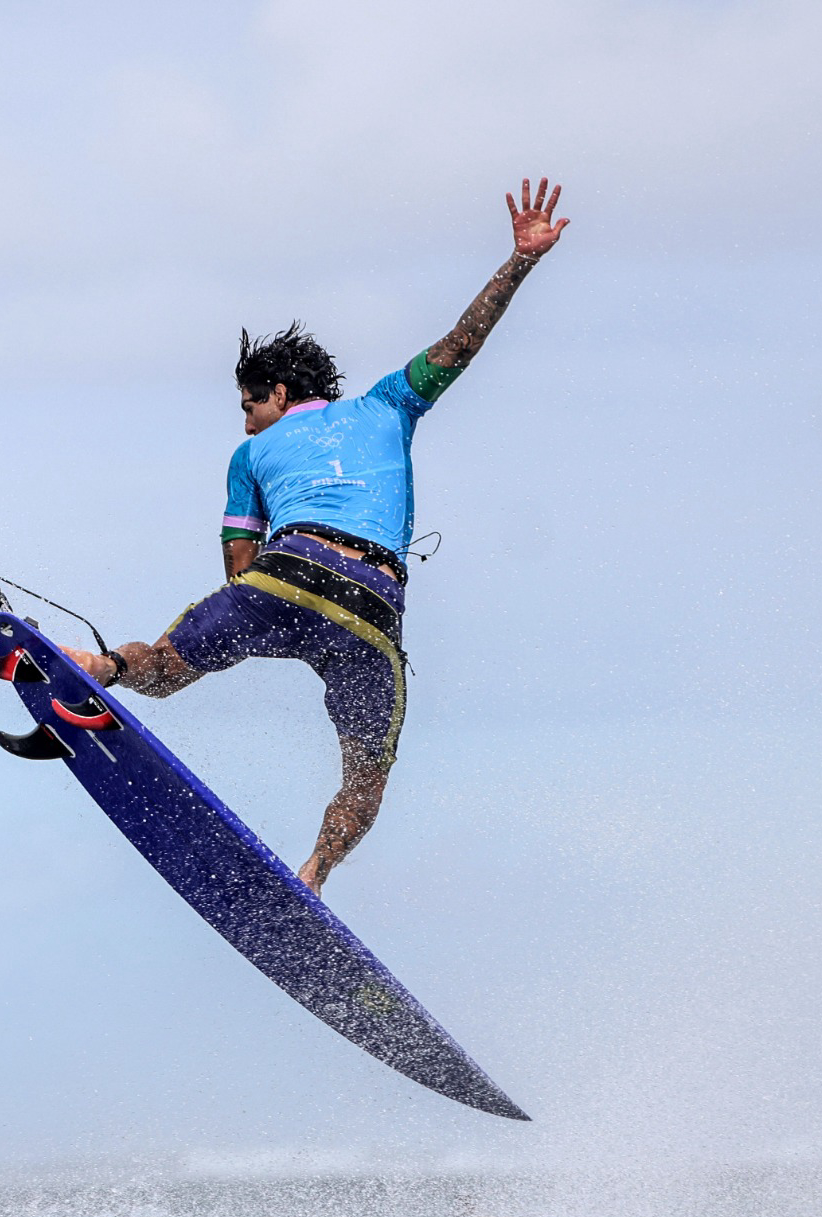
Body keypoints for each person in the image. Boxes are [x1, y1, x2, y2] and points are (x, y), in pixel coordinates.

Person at [61, 178, 570, 894]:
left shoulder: (248, 457)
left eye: (249, 406)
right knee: (366, 774)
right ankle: (315, 874)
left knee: (169, 667)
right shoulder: (392, 403)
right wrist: (520, 261)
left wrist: (240, 634)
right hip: (370, 610)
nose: (245, 424)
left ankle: (99, 668)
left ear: (277, 394)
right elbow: (462, 342)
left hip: (287, 575)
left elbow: (241, 570)